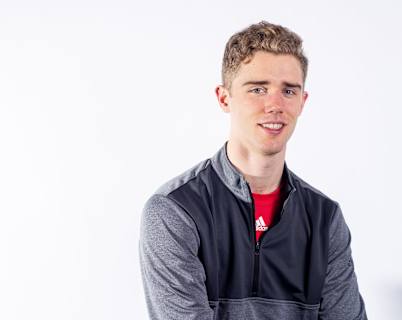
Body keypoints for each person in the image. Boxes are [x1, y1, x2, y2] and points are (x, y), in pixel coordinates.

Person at [139, 20, 367, 320]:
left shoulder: (325, 219)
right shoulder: (176, 210)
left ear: (302, 102)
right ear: (224, 98)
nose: (274, 104)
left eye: (288, 91)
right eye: (258, 89)